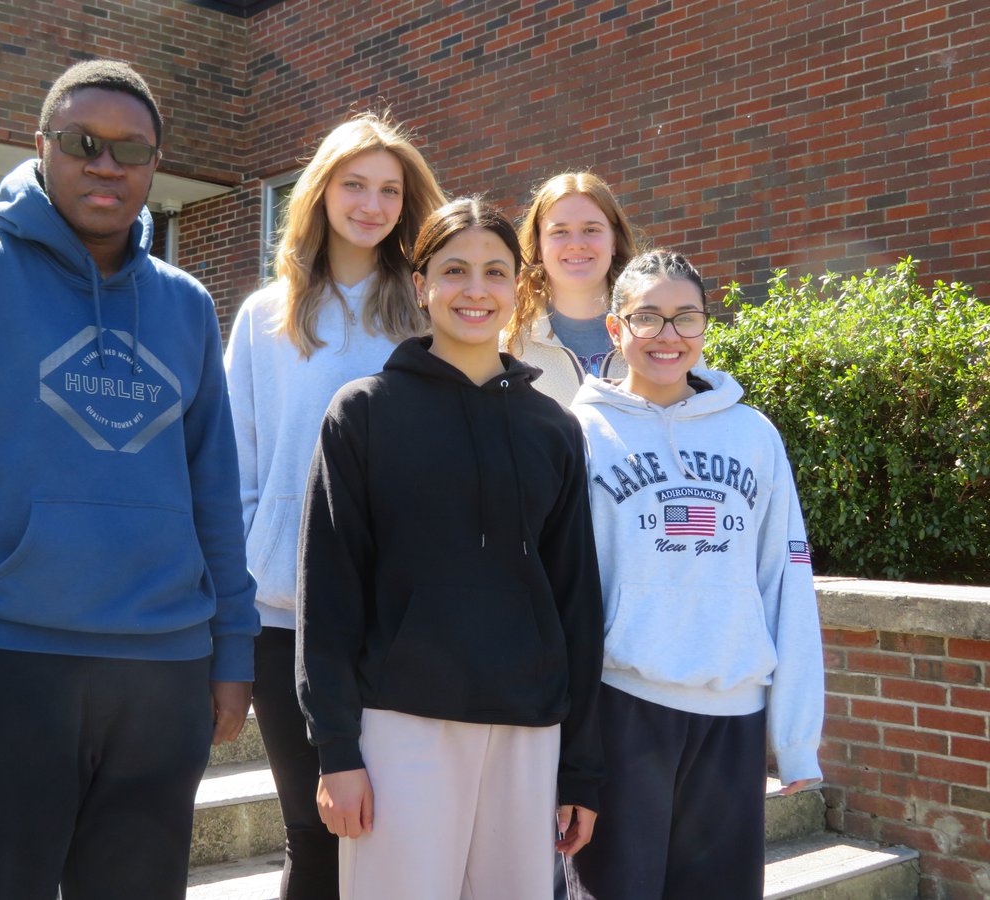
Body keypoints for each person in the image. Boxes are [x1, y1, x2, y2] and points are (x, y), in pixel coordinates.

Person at [0, 60, 258, 900]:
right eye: (83, 144)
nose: (106, 165)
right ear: (41, 148)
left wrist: (233, 647)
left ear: (154, 165)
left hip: (163, 670)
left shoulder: (186, 305)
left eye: (130, 150)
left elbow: (215, 493)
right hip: (3, 660)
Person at [296, 197, 605, 900]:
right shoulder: (363, 413)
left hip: (528, 734)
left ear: (518, 288)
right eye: (454, 270)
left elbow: (577, 602)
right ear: (419, 284)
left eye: (496, 272)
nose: (475, 289)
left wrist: (582, 767)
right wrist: (336, 751)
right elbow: (331, 592)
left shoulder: (553, 428)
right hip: (400, 729)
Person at [223, 111, 445, 900]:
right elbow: (237, 470)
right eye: (354, 184)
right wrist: (233, 605)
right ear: (320, 192)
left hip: (398, 623)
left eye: (390, 189)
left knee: (394, 833)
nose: (372, 204)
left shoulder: (425, 315)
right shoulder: (263, 314)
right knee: (314, 834)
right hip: (283, 618)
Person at [565, 250, 824, 899]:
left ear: (706, 328)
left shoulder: (753, 434)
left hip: (731, 717)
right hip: (620, 710)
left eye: (686, 318)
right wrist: (569, 753)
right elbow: (564, 596)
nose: (668, 335)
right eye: (647, 317)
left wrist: (795, 735)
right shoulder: (581, 431)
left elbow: (784, 581)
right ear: (616, 329)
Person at [503, 172, 641, 404]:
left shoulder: (660, 329)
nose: (576, 244)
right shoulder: (508, 346)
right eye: (560, 232)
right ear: (538, 246)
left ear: (614, 241)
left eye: (591, 229)